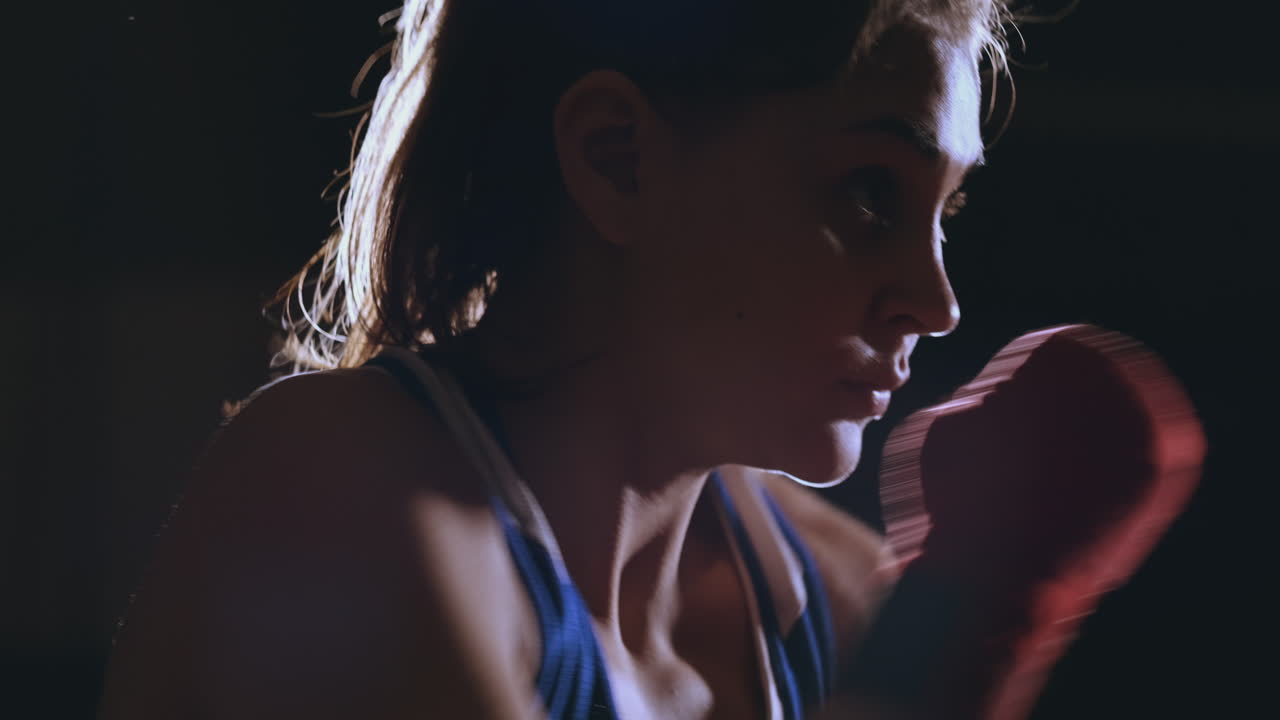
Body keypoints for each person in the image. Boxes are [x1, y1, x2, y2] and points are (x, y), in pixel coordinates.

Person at [98, 1, 1203, 718]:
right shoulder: (335, 494)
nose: (936, 298)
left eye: (940, 210)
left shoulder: (830, 595)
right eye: (868, 193)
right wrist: (962, 636)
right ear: (617, 159)